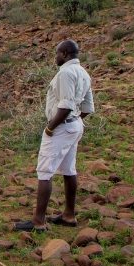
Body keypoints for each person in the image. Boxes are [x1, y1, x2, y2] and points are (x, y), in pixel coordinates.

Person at [15, 39, 94, 232]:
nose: (55, 56)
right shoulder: (83, 72)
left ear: (65, 54)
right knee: (69, 170)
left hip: (62, 127)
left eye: (57, 53)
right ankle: (68, 215)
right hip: (74, 126)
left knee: (45, 172)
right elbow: (87, 107)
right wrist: (75, 120)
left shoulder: (66, 73)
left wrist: (51, 127)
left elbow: (65, 105)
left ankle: (38, 221)